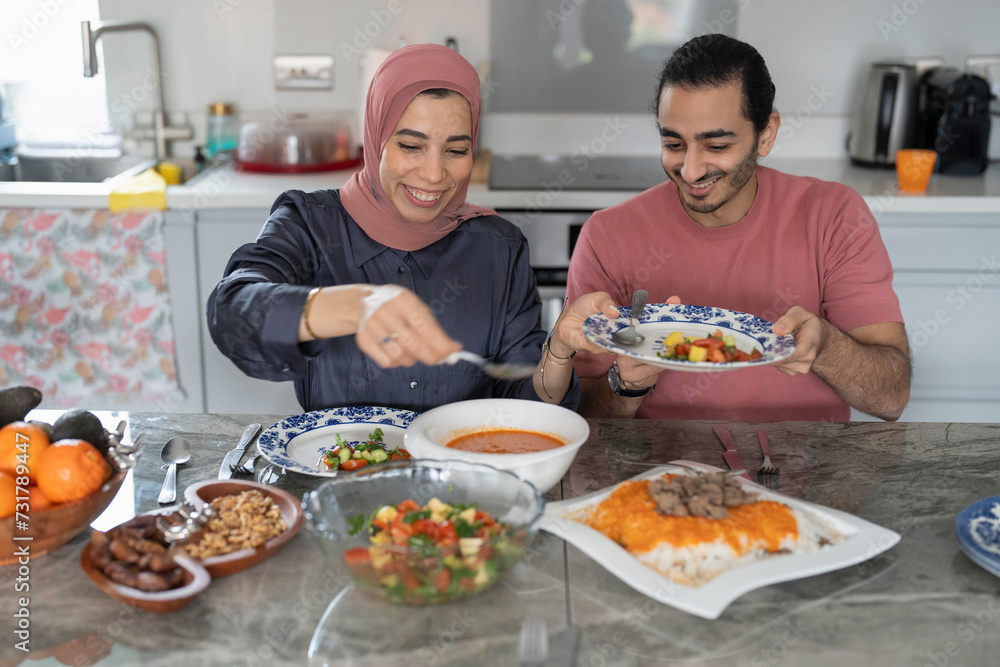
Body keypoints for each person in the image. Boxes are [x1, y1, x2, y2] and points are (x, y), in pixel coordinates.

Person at [207, 44, 614, 414]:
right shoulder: (310, 222)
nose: (434, 174)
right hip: (338, 481)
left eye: (456, 150)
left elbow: (528, 401)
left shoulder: (499, 247)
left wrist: (559, 348)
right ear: (376, 138)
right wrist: (354, 306)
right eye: (410, 146)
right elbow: (232, 311)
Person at [565, 34, 911, 422]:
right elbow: (580, 415)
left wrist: (828, 347)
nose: (691, 171)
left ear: (766, 134)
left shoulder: (834, 216)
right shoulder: (607, 235)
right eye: (674, 144)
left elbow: (891, 397)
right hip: (662, 475)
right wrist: (624, 382)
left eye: (716, 146)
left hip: (809, 473)